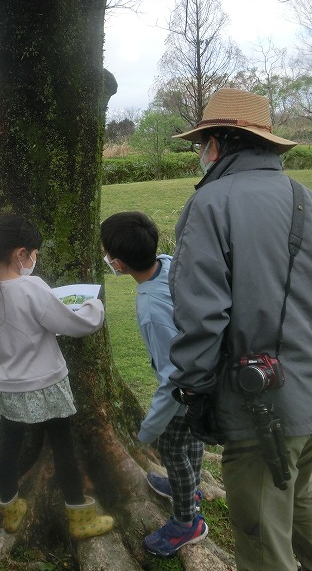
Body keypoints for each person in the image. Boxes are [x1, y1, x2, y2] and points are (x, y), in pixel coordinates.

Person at [167, 88, 312, 571]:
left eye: (202, 144)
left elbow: (201, 315)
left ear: (217, 144)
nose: (201, 154)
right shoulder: (305, 198)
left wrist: (194, 387)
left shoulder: (209, 204)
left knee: (260, 535)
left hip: (258, 406)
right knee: (298, 489)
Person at [0, 214, 114, 540]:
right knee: (63, 447)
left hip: (9, 386)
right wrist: (94, 307)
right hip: (47, 383)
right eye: (34, 254)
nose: (35, 260)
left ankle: (10, 510)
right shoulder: (31, 287)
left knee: (10, 448)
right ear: (21, 254)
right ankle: (79, 517)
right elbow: (74, 324)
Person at [99, 211, 208, 557]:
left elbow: (171, 378)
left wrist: (148, 430)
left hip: (187, 388)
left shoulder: (151, 309)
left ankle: (186, 522)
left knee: (173, 450)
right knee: (193, 437)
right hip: (206, 376)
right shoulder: (171, 264)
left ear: (118, 263)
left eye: (107, 254)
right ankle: (189, 488)